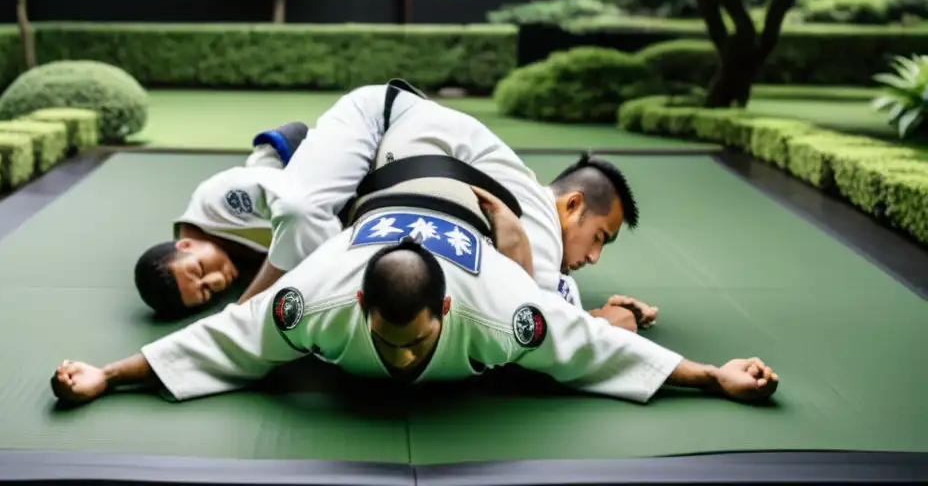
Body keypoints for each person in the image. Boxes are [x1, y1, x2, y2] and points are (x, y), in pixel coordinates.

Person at [51, 197, 778, 407]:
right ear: (361, 304)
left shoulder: (501, 310)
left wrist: (712, 374)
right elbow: (223, 336)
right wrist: (106, 375)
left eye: (416, 343)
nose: (400, 360)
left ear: (448, 314)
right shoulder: (316, 298)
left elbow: (595, 347)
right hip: (373, 212)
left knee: (570, 308)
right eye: (388, 339)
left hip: (467, 212)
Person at [233, 81, 658, 331]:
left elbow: (553, 305)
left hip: (386, 175)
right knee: (299, 210)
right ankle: (240, 313)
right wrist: (607, 321)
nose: (595, 256)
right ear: (572, 205)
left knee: (334, 240)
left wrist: (598, 313)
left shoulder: (530, 205)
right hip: (377, 119)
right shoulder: (539, 220)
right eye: (600, 236)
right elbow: (550, 325)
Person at [132, 122, 309, 317]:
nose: (216, 281)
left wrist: (244, 307)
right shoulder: (235, 263)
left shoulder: (217, 201)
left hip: (300, 153)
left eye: (199, 270)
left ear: (186, 245)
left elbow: (299, 208)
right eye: (205, 291)